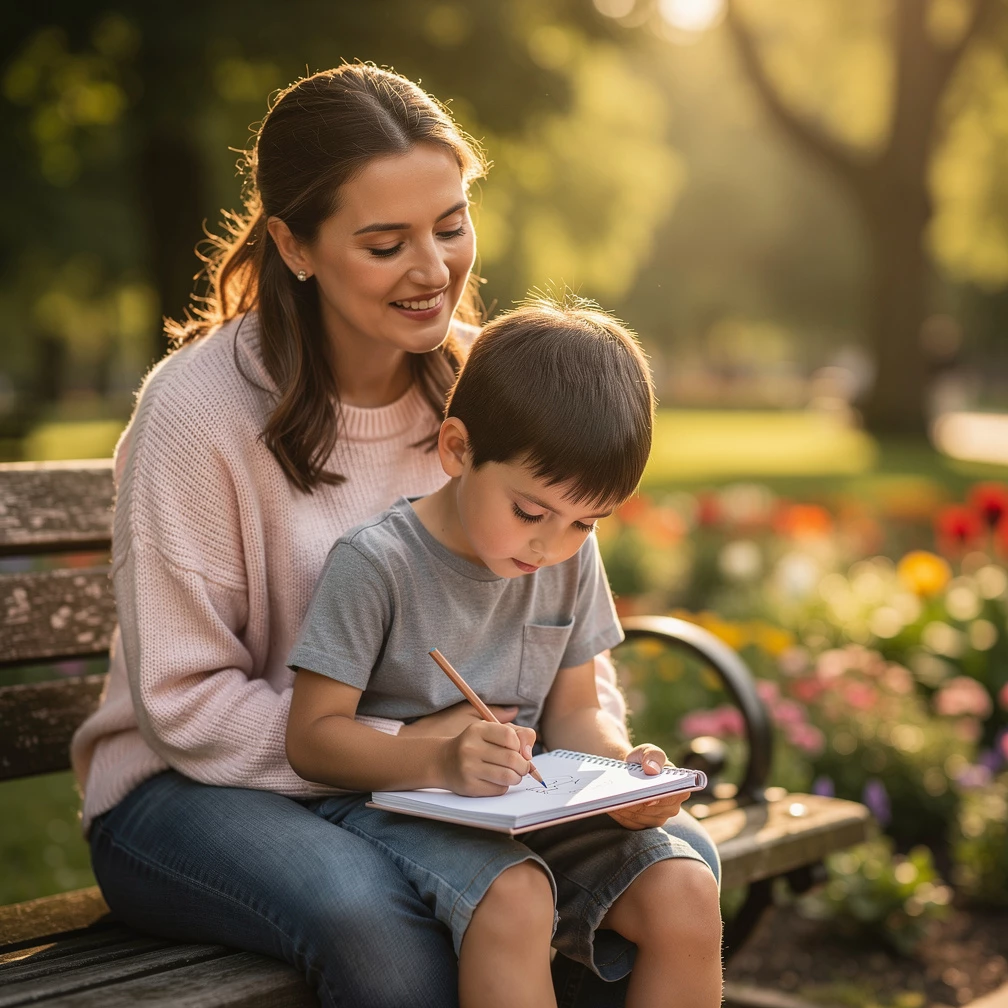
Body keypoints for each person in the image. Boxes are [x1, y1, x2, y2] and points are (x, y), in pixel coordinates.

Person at [69, 63, 719, 1008]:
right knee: (379, 917)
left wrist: (595, 772)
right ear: (294, 244)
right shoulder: (196, 414)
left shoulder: (483, 378)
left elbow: (559, 614)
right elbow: (187, 706)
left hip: (440, 781)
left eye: (451, 226)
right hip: (189, 791)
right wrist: (416, 754)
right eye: (386, 243)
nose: (434, 271)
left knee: (673, 862)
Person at [286, 300, 724, 1008]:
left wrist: (626, 774)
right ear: (457, 449)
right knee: (516, 898)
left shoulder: (571, 560)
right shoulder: (376, 564)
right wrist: (439, 760)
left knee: (685, 890)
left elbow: (578, 710)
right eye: (530, 512)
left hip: (529, 804)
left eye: (585, 521)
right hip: (395, 811)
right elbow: (310, 739)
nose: (550, 545)